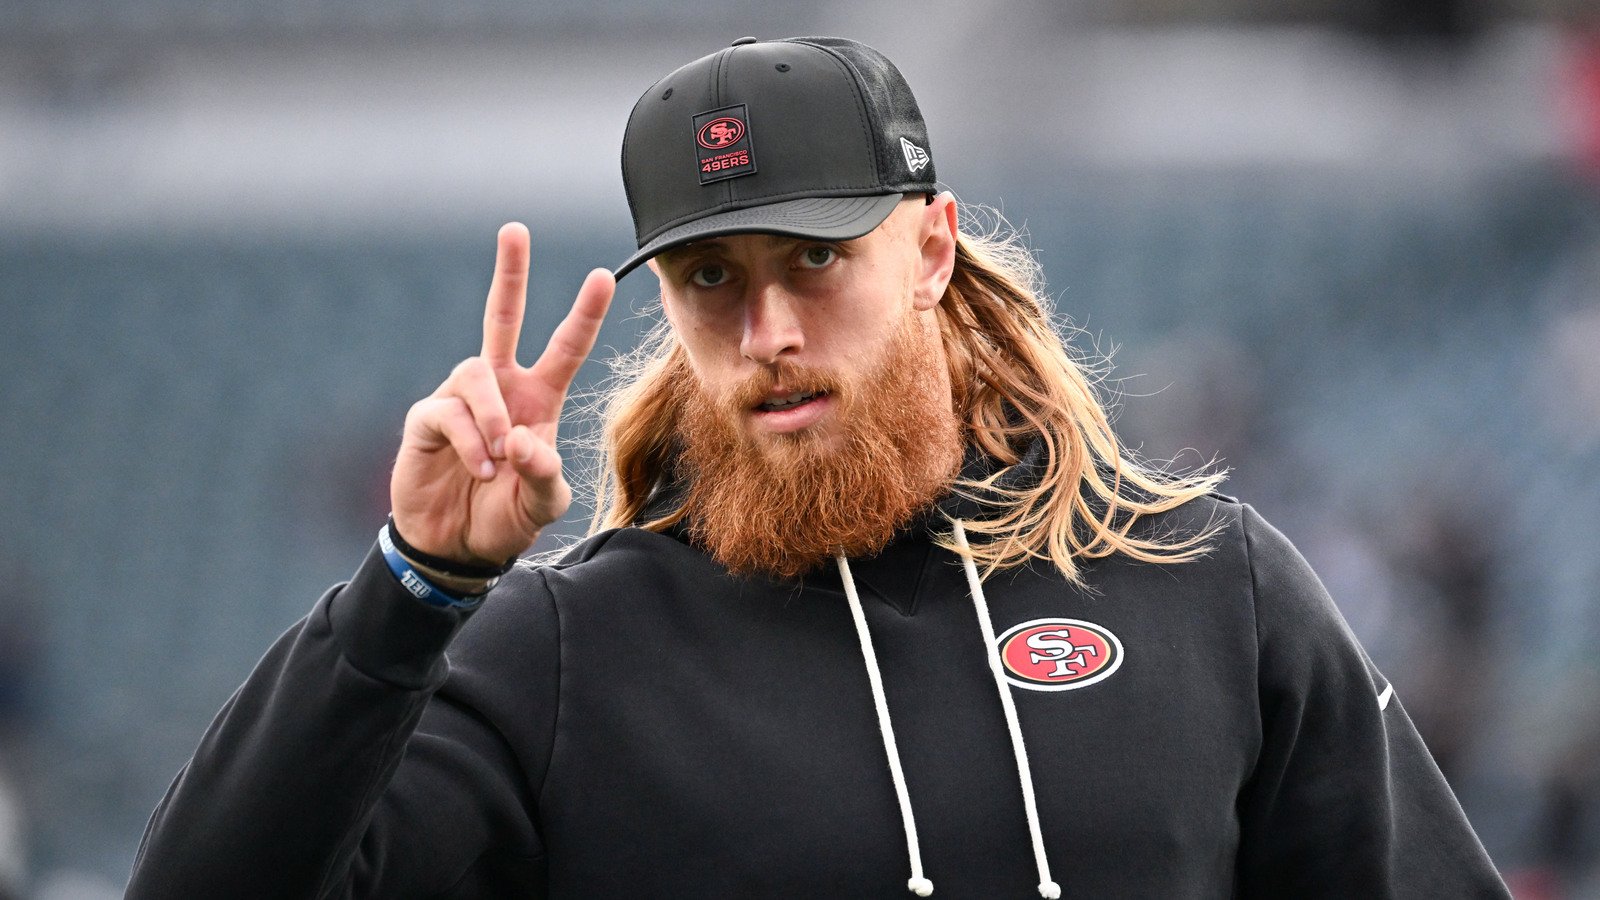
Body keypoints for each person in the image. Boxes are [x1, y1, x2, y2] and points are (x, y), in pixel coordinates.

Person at [125, 36, 1511, 899]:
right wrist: (412, 587)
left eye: (815, 259)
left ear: (932, 248)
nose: (769, 332)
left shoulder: (1207, 588)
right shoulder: (559, 656)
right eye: (711, 278)